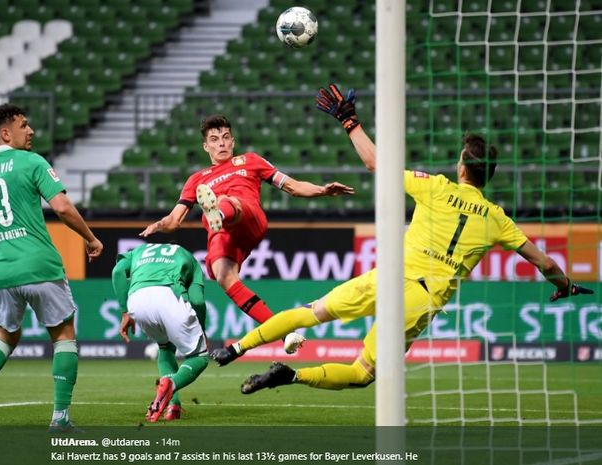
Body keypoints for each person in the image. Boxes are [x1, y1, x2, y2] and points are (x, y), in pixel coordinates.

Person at [211, 84, 594, 394]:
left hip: (388, 276)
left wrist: (350, 123)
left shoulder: (436, 187)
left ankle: (237, 347)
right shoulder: (497, 219)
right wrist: (566, 285)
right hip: (421, 297)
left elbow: (376, 164)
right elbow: (545, 263)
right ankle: (293, 376)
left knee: (311, 313)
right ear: (487, 176)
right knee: (362, 373)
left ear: (461, 167)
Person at [0, 103, 104, 432]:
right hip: (39, 266)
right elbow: (63, 207)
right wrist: (90, 237)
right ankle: (60, 418)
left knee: (3, 337)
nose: (30, 131)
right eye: (24, 125)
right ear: (6, 133)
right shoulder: (32, 162)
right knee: (63, 336)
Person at [140, 115, 354, 353]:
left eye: (225, 138)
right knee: (223, 276)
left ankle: (218, 212)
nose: (221, 143)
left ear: (232, 141)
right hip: (222, 234)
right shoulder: (196, 180)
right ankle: (285, 334)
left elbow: (292, 186)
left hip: (247, 216)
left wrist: (322, 190)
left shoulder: (250, 161)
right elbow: (174, 221)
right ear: (206, 146)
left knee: (225, 201)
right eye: (214, 139)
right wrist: (161, 225)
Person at [113, 242, 209, 422]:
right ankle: (171, 385)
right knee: (200, 357)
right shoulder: (188, 256)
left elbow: (117, 272)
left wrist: (125, 311)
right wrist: (202, 329)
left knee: (165, 348)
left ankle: (173, 407)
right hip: (170, 295)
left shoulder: (138, 251)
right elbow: (197, 301)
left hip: (138, 300)